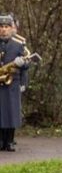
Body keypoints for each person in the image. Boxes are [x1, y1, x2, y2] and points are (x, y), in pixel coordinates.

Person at [0, 14, 30, 152]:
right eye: (1, 27)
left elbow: (27, 65)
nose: (4, 30)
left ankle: (10, 141)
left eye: (6, 27)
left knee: (11, 112)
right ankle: (1, 141)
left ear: (12, 28)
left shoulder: (18, 45)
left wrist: (22, 64)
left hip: (12, 83)